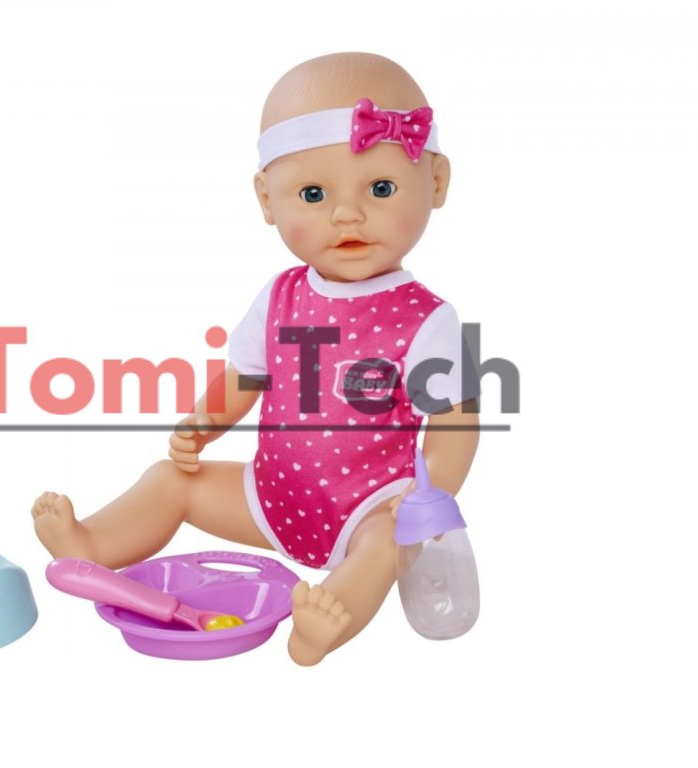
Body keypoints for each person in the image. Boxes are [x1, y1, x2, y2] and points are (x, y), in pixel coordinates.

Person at [31, 52, 480, 666]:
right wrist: (203, 424)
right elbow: (244, 376)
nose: (346, 214)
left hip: (370, 505)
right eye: (313, 194)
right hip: (268, 496)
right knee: (171, 481)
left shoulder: (426, 319)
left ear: (436, 182)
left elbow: (455, 419)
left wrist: (433, 493)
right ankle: (92, 543)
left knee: (381, 545)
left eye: (380, 188)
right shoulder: (280, 296)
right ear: (268, 199)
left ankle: (323, 624)